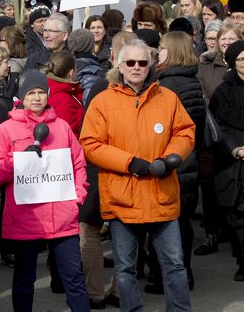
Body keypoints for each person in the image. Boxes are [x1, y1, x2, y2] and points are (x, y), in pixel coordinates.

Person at [80, 39, 196, 311]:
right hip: (123, 198)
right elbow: (91, 144)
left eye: (142, 63)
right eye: (130, 62)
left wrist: (170, 159)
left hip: (161, 195)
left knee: (175, 265)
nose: (136, 68)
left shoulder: (167, 98)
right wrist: (130, 163)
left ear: (151, 64)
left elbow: (185, 131)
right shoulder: (102, 101)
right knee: (124, 268)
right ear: (119, 65)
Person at [0, 70, 89, 311]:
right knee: (24, 280)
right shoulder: (5, 130)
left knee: (74, 278)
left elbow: (78, 163)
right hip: (26, 219)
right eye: (31, 93)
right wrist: (17, 160)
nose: (37, 98)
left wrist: (78, 196)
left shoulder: (62, 127)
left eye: (41, 93)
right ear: (21, 97)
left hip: (62, 217)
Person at [147, 30, 206, 292]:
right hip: (189, 161)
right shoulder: (191, 80)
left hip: (172, 163)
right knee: (182, 223)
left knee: (168, 225)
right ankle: (185, 275)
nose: (158, 51)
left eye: (161, 48)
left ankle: (168, 278)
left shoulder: (168, 85)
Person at [209, 40, 244, 281]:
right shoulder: (223, 91)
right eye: (241, 59)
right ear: (233, 62)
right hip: (234, 161)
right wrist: (236, 149)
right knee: (238, 215)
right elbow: (217, 126)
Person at [43, 51, 84, 135]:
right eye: (76, 68)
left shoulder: (45, 88)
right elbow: (68, 133)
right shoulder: (65, 99)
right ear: (71, 73)